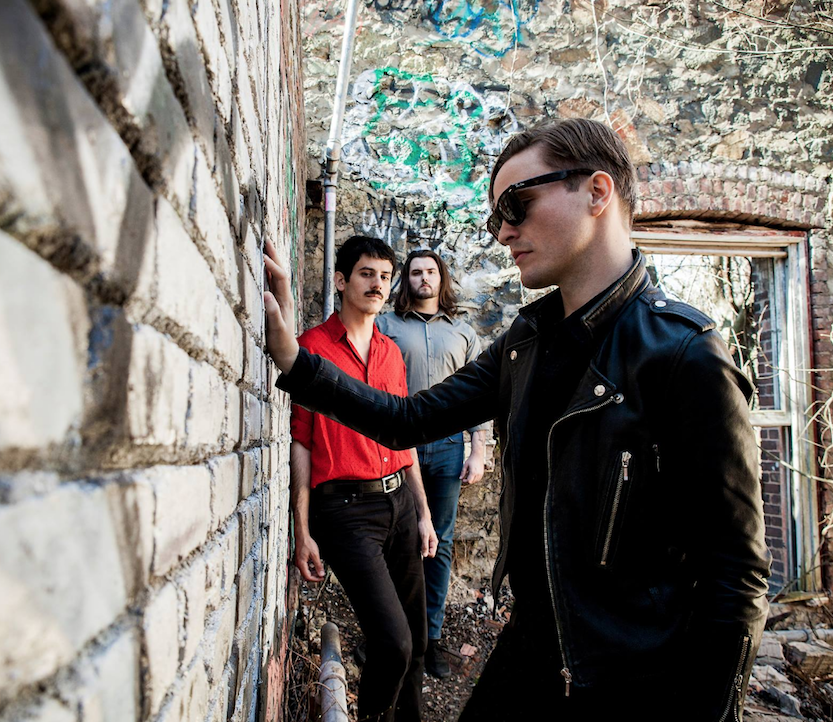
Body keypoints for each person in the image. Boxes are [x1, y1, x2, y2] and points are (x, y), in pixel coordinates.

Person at [267, 119, 770, 720]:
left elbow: (737, 577)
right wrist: (296, 362)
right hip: (530, 653)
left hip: (630, 684)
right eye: (496, 217)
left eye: (517, 205)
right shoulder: (525, 341)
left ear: (597, 192)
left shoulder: (684, 354)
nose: (504, 231)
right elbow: (408, 419)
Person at [288, 235, 438, 722]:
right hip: (345, 512)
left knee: (416, 641)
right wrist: (302, 531)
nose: (377, 284)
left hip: (400, 503)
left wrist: (423, 513)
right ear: (341, 280)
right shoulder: (311, 349)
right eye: (366, 274)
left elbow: (404, 437)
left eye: (385, 276)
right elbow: (301, 443)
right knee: (393, 643)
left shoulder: (391, 353)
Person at [376, 249, 488, 679]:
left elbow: (480, 395)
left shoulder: (463, 333)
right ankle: (390, 634)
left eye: (430, 272)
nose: (423, 278)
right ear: (406, 280)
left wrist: (478, 448)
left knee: (437, 542)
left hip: (446, 448)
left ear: (442, 279)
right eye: (415, 272)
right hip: (396, 445)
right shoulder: (385, 326)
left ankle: (431, 639)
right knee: (393, 537)